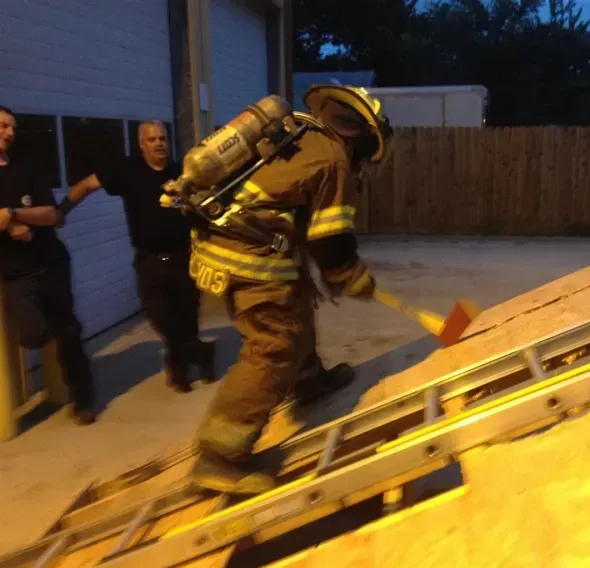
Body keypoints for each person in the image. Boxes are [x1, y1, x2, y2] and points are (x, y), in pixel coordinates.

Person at [162, 85, 394, 494]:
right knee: (273, 343)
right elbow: (329, 237)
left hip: (224, 241)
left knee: (297, 300)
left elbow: (292, 209)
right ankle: (219, 456)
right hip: (249, 255)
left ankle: (308, 380)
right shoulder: (334, 157)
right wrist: (349, 274)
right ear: (362, 135)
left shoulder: (300, 134)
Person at [58, 121, 216, 393]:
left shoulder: (181, 172)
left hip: (183, 258)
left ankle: (179, 374)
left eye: (162, 138)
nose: (159, 143)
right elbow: (86, 185)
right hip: (149, 261)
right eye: (152, 139)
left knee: (187, 317)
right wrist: (60, 211)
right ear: (142, 144)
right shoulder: (127, 171)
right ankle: (200, 352)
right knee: (160, 317)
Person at [0, 105, 97, 425]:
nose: (9, 132)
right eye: (2, 126)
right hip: (14, 273)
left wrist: (13, 215)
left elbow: (53, 216)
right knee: (32, 335)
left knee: (68, 331)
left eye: (12, 127)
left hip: (51, 263)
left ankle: (83, 400)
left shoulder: (28, 169)